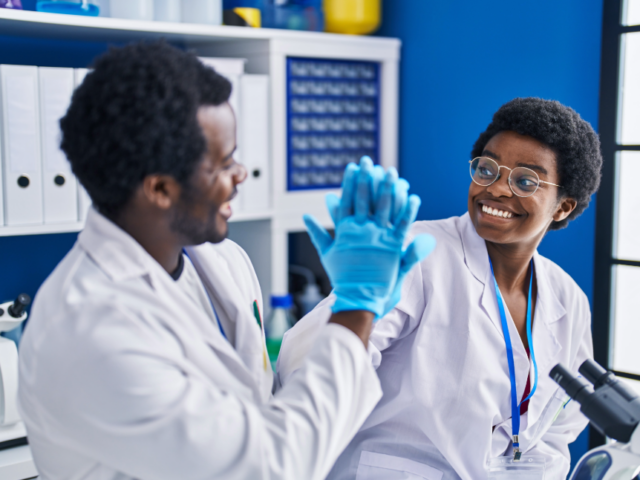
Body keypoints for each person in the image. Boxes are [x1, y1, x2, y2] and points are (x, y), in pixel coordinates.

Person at [17, 42, 435, 480]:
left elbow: (267, 406)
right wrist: (355, 307)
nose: (240, 174)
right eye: (223, 162)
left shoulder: (221, 261)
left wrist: (357, 323)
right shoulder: (91, 330)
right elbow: (271, 464)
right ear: (160, 189)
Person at [278, 97, 603, 479]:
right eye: (487, 169)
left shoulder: (567, 299)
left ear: (563, 207)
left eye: (525, 181)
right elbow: (310, 369)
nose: (496, 189)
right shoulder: (417, 255)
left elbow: (559, 427)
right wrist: (357, 299)